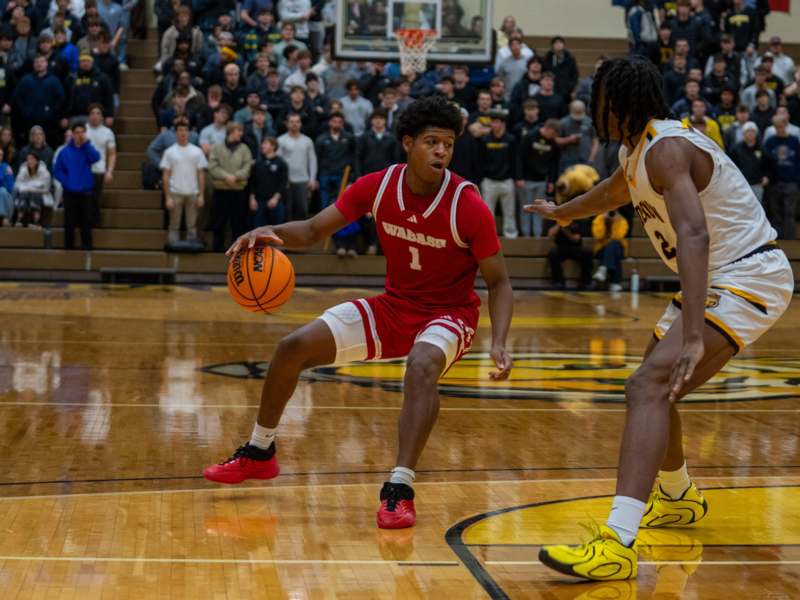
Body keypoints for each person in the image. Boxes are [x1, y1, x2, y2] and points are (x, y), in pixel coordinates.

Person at [527, 56, 792, 581]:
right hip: (719, 276)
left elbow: (694, 234)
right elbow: (611, 192)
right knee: (656, 384)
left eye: (600, 96)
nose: (594, 106)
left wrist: (693, 335)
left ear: (618, 101)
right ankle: (677, 496)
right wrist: (563, 212)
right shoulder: (636, 151)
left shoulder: (668, 148)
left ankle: (618, 542)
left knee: (647, 384)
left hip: (747, 273)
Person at [203, 95, 513, 530]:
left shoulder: (467, 204)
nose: (441, 151)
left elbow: (499, 282)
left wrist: (498, 341)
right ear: (408, 143)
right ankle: (260, 450)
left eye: (447, 143)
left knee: (422, 364)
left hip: (449, 313)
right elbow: (313, 230)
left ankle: (400, 488)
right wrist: (268, 231)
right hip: (393, 306)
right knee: (291, 348)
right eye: (431, 142)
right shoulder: (377, 186)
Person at [54, 121, 100, 250]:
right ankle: (69, 249)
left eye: (82, 132)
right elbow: (57, 171)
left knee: (86, 222)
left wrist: (87, 144)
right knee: (69, 223)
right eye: (77, 132)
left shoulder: (88, 149)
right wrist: (66, 181)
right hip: (70, 192)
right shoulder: (64, 151)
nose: (79, 135)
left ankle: (87, 248)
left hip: (85, 192)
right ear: (72, 134)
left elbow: (96, 158)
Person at [208, 121, 253, 251]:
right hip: (221, 190)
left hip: (238, 192)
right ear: (231, 132)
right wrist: (226, 176)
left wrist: (236, 176)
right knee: (219, 222)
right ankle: (217, 249)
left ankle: (236, 250)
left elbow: (247, 167)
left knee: (237, 222)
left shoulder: (245, 149)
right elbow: (212, 166)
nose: (241, 133)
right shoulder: (217, 148)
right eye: (239, 131)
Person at [160, 117, 207, 242]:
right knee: (174, 225)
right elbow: (165, 176)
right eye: (180, 130)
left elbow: (201, 174)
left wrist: (201, 195)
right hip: (175, 192)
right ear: (176, 133)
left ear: (189, 133)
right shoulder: (169, 152)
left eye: (185, 130)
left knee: (192, 225)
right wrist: (168, 197)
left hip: (193, 192)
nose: (183, 133)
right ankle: (172, 250)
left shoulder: (197, 151)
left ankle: (191, 253)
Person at [516, 118, 560, 238]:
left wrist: (551, 181)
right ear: (549, 129)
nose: (554, 136)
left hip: (541, 180)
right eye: (554, 133)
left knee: (540, 210)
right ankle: (525, 236)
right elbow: (519, 157)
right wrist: (519, 177)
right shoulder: (530, 136)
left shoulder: (552, 143)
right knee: (525, 208)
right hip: (526, 179)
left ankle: (537, 236)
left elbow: (553, 163)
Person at [479, 110, 518, 238]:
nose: (494, 125)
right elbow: (481, 159)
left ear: (502, 124)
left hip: (506, 180)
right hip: (489, 181)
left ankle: (511, 235)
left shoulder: (511, 139)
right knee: (487, 212)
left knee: (509, 211)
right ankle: (488, 235)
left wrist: (516, 177)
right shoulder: (485, 139)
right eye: (492, 122)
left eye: (496, 122)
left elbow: (515, 160)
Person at [763, 114, 800, 240]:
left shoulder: (794, 141)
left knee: (789, 212)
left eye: (781, 127)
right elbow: (766, 162)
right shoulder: (770, 142)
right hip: (774, 182)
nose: (779, 129)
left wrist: (796, 179)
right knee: (776, 213)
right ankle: (778, 240)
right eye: (776, 127)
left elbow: (798, 161)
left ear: (786, 125)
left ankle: (790, 240)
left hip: (791, 182)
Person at [277, 112, 316, 220]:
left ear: (300, 124)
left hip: (303, 180)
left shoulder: (307, 140)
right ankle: (287, 237)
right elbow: (278, 162)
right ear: (287, 124)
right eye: (292, 122)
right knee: (287, 212)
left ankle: (301, 237)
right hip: (287, 181)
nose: (294, 124)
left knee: (303, 211)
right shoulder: (280, 140)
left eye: (297, 122)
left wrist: (312, 179)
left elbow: (312, 161)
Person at [315, 111, 355, 210]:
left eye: (339, 122)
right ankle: (324, 224)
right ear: (329, 122)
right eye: (334, 121)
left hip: (343, 174)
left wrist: (352, 177)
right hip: (325, 173)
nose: (336, 124)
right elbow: (317, 159)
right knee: (324, 202)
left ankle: (340, 225)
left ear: (343, 123)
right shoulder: (321, 139)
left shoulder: (349, 138)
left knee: (341, 203)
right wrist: (316, 177)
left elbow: (354, 157)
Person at [85, 103, 115, 226]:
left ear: (102, 117)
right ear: (88, 116)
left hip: (99, 171)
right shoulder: (83, 130)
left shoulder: (108, 133)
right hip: (84, 170)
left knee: (95, 200)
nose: (95, 116)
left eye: (98, 113)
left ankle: (95, 226)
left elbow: (112, 154)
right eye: (92, 113)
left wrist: (110, 171)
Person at [249, 136, 288, 227]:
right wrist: (252, 199)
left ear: (273, 146)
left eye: (265, 143)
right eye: (262, 144)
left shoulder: (281, 163)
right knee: (259, 230)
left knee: (277, 230)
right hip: (259, 201)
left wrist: (275, 198)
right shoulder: (257, 163)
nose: (262, 146)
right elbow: (252, 182)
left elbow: (283, 183)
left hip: (275, 201)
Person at [728, 121, 768, 204]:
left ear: (756, 133)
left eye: (752, 131)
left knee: (758, 206)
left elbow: (768, 164)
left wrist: (766, 176)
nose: (750, 133)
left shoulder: (762, 148)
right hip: (741, 185)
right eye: (748, 131)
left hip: (757, 183)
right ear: (743, 133)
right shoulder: (736, 149)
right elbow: (731, 166)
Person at [546, 219, 592, 290]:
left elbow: (576, 239)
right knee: (552, 253)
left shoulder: (578, 221)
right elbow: (550, 234)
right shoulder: (557, 220)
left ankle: (585, 282)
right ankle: (559, 282)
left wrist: (567, 232)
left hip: (575, 247)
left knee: (587, 253)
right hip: (561, 247)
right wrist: (560, 224)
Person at [592, 209, 629, 292]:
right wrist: (606, 223)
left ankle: (603, 269)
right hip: (601, 248)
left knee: (614, 244)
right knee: (614, 253)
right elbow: (598, 236)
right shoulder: (599, 219)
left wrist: (613, 223)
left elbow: (619, 236)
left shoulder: (622, 220)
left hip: (619, 248)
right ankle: (615, 282)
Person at [13, 153, 52, 227]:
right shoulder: (23, 170)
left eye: (32, 159)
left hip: (41, 195)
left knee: (35, 195)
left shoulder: (44, 172)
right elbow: (18, 185)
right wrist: (34, 186)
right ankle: (19, 219)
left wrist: (29, 187)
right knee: (24, 194)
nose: (29, 161)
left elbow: (46, 188)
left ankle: (35, 221)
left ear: (37, 161)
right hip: (25, 194)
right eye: (28, 159)